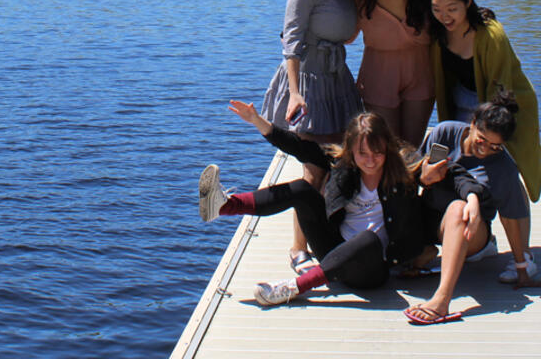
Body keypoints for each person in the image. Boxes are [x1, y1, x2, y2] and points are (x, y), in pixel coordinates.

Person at [200, 100, 492, 325]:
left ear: (388, 148)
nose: (370, 160)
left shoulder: (403, 167)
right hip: (333, 250)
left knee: (367, 238)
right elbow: (300, 148)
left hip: (373, 266)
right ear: (351, 150)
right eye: (362, 153)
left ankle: (293, 288)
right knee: (303, 189)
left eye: (377, 152)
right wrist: (258, 121)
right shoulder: (344, 165)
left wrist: (471, 198)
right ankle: (226, 206)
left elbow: (454, 173)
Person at [260, 0, 366, 272]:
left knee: (340, 162)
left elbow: (349, 34)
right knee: (313, 169)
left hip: (338, 80)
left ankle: (329, 236)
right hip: (308, 80)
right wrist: (293, 93)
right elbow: (290, 41)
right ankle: (298, 248)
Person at [428, 0, 541, 284]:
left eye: (452, 8)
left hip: (505, 106)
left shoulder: (491, 34)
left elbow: (501, 91)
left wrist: (488, 135)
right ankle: (485, 240)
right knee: (465, 171)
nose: (444, 16)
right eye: (437, 9)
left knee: (505, 173)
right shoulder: (438, 35)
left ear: (467, 2)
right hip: (464, 104)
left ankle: (525, 256)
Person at [420, 90, 541, 288]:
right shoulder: (445, 134)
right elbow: (419, 173)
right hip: (431, 216)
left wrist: (522, 267)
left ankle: (478, 252)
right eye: (481, 140)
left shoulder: (503, 167)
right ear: (472, 123)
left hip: (471, 228)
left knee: (459, 209)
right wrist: (425, 177)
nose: (485, 150)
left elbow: (511, 218)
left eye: (495, 147)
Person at [354, 0, 435, 145]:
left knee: (410, 149)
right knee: (386, 148)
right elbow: (343, 33)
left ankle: (410, 179)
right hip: (378, 78)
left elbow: (457, 14)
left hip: (421, 78)